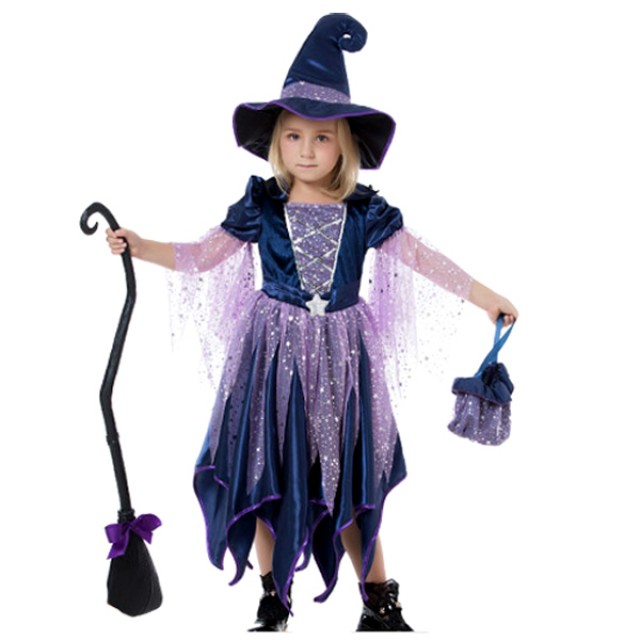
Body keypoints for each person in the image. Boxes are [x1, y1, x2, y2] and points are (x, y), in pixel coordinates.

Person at [106, 14, 517, 633]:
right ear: (277, 141)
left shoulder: (365, 213)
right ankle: (273, 595)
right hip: (270, 362)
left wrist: (486, 297)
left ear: (344, 144)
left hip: (342, 366)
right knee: (263, 472)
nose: (306, 149)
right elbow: (203, 255)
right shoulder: (262, 206)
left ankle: (379, 603)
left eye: (321, 138)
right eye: (294, 135)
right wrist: (140, 246)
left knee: (348, 478)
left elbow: (424, 259)